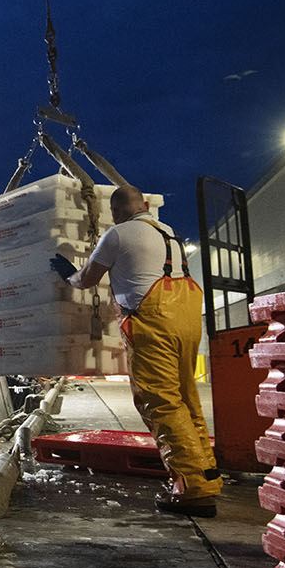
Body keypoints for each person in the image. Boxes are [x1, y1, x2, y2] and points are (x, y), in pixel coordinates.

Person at [49, 185, 222, 517]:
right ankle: (206, 475)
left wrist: (68, 275)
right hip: (186, 318)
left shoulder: (117, 235)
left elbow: (87, 279)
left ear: (115, 212)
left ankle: (193, 489)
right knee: (186, 399)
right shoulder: (167, 232)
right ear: (144, 205)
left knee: (161, 403)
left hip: (153, 322)